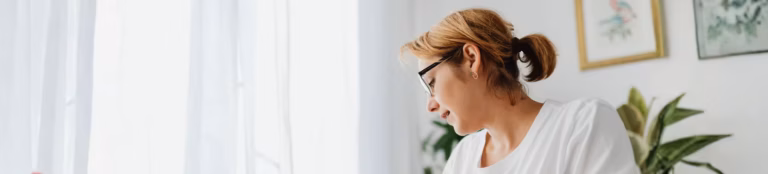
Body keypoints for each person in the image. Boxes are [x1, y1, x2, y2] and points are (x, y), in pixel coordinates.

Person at [401, 8, 639, 174]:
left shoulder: (582, 125)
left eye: (432, 83)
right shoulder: (462, 160)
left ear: (471, 59)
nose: (430, 105)